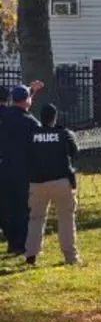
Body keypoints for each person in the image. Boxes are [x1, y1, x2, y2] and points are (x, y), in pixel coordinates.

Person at [25, 103, 80, 266]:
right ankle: (70, 256)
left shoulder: (31, 134)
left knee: (36, 218)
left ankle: (31, 253)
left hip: (37, 182)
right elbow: (75, 150)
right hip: (62, 181)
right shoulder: (63, 133)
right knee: (66, 218)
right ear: (55, 117)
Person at [0, 80, 45, 255]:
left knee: (6, 205)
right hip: (23, 170)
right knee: (23, 207)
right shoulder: (31, 123)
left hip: (4, 167)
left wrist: (30, 91)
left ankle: (12, 241)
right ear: (27, 100)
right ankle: (21, 242)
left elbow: (16, 106)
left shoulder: (5, 115)